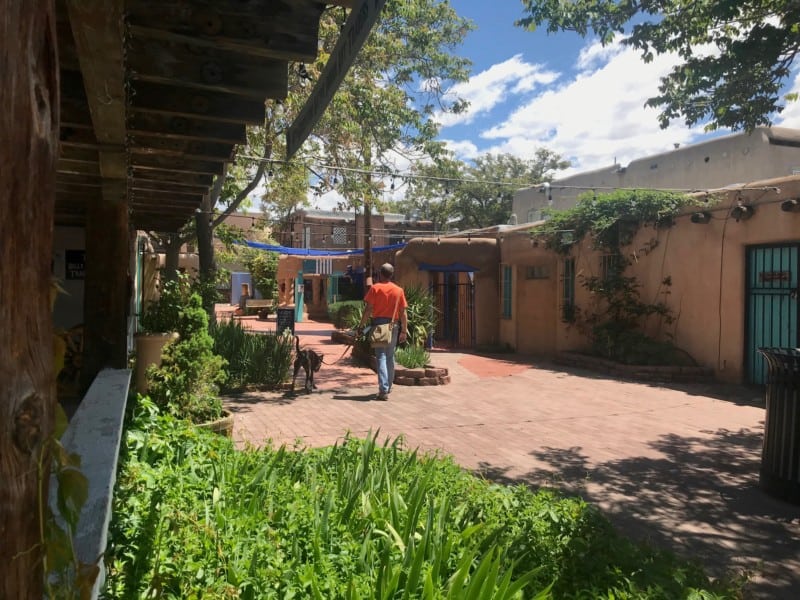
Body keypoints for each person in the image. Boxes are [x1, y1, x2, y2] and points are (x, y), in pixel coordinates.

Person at [357, 263, 408, 400]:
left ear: (380, 274)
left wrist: (361, 326)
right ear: (391, 274)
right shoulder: (398, 290)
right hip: (394, 326)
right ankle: (388, 386)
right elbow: (403, 313)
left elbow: (368, 309)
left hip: (379, 326)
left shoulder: (375, 288)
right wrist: (404, 330)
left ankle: (383, 389)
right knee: (390, 356)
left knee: (381, 357)